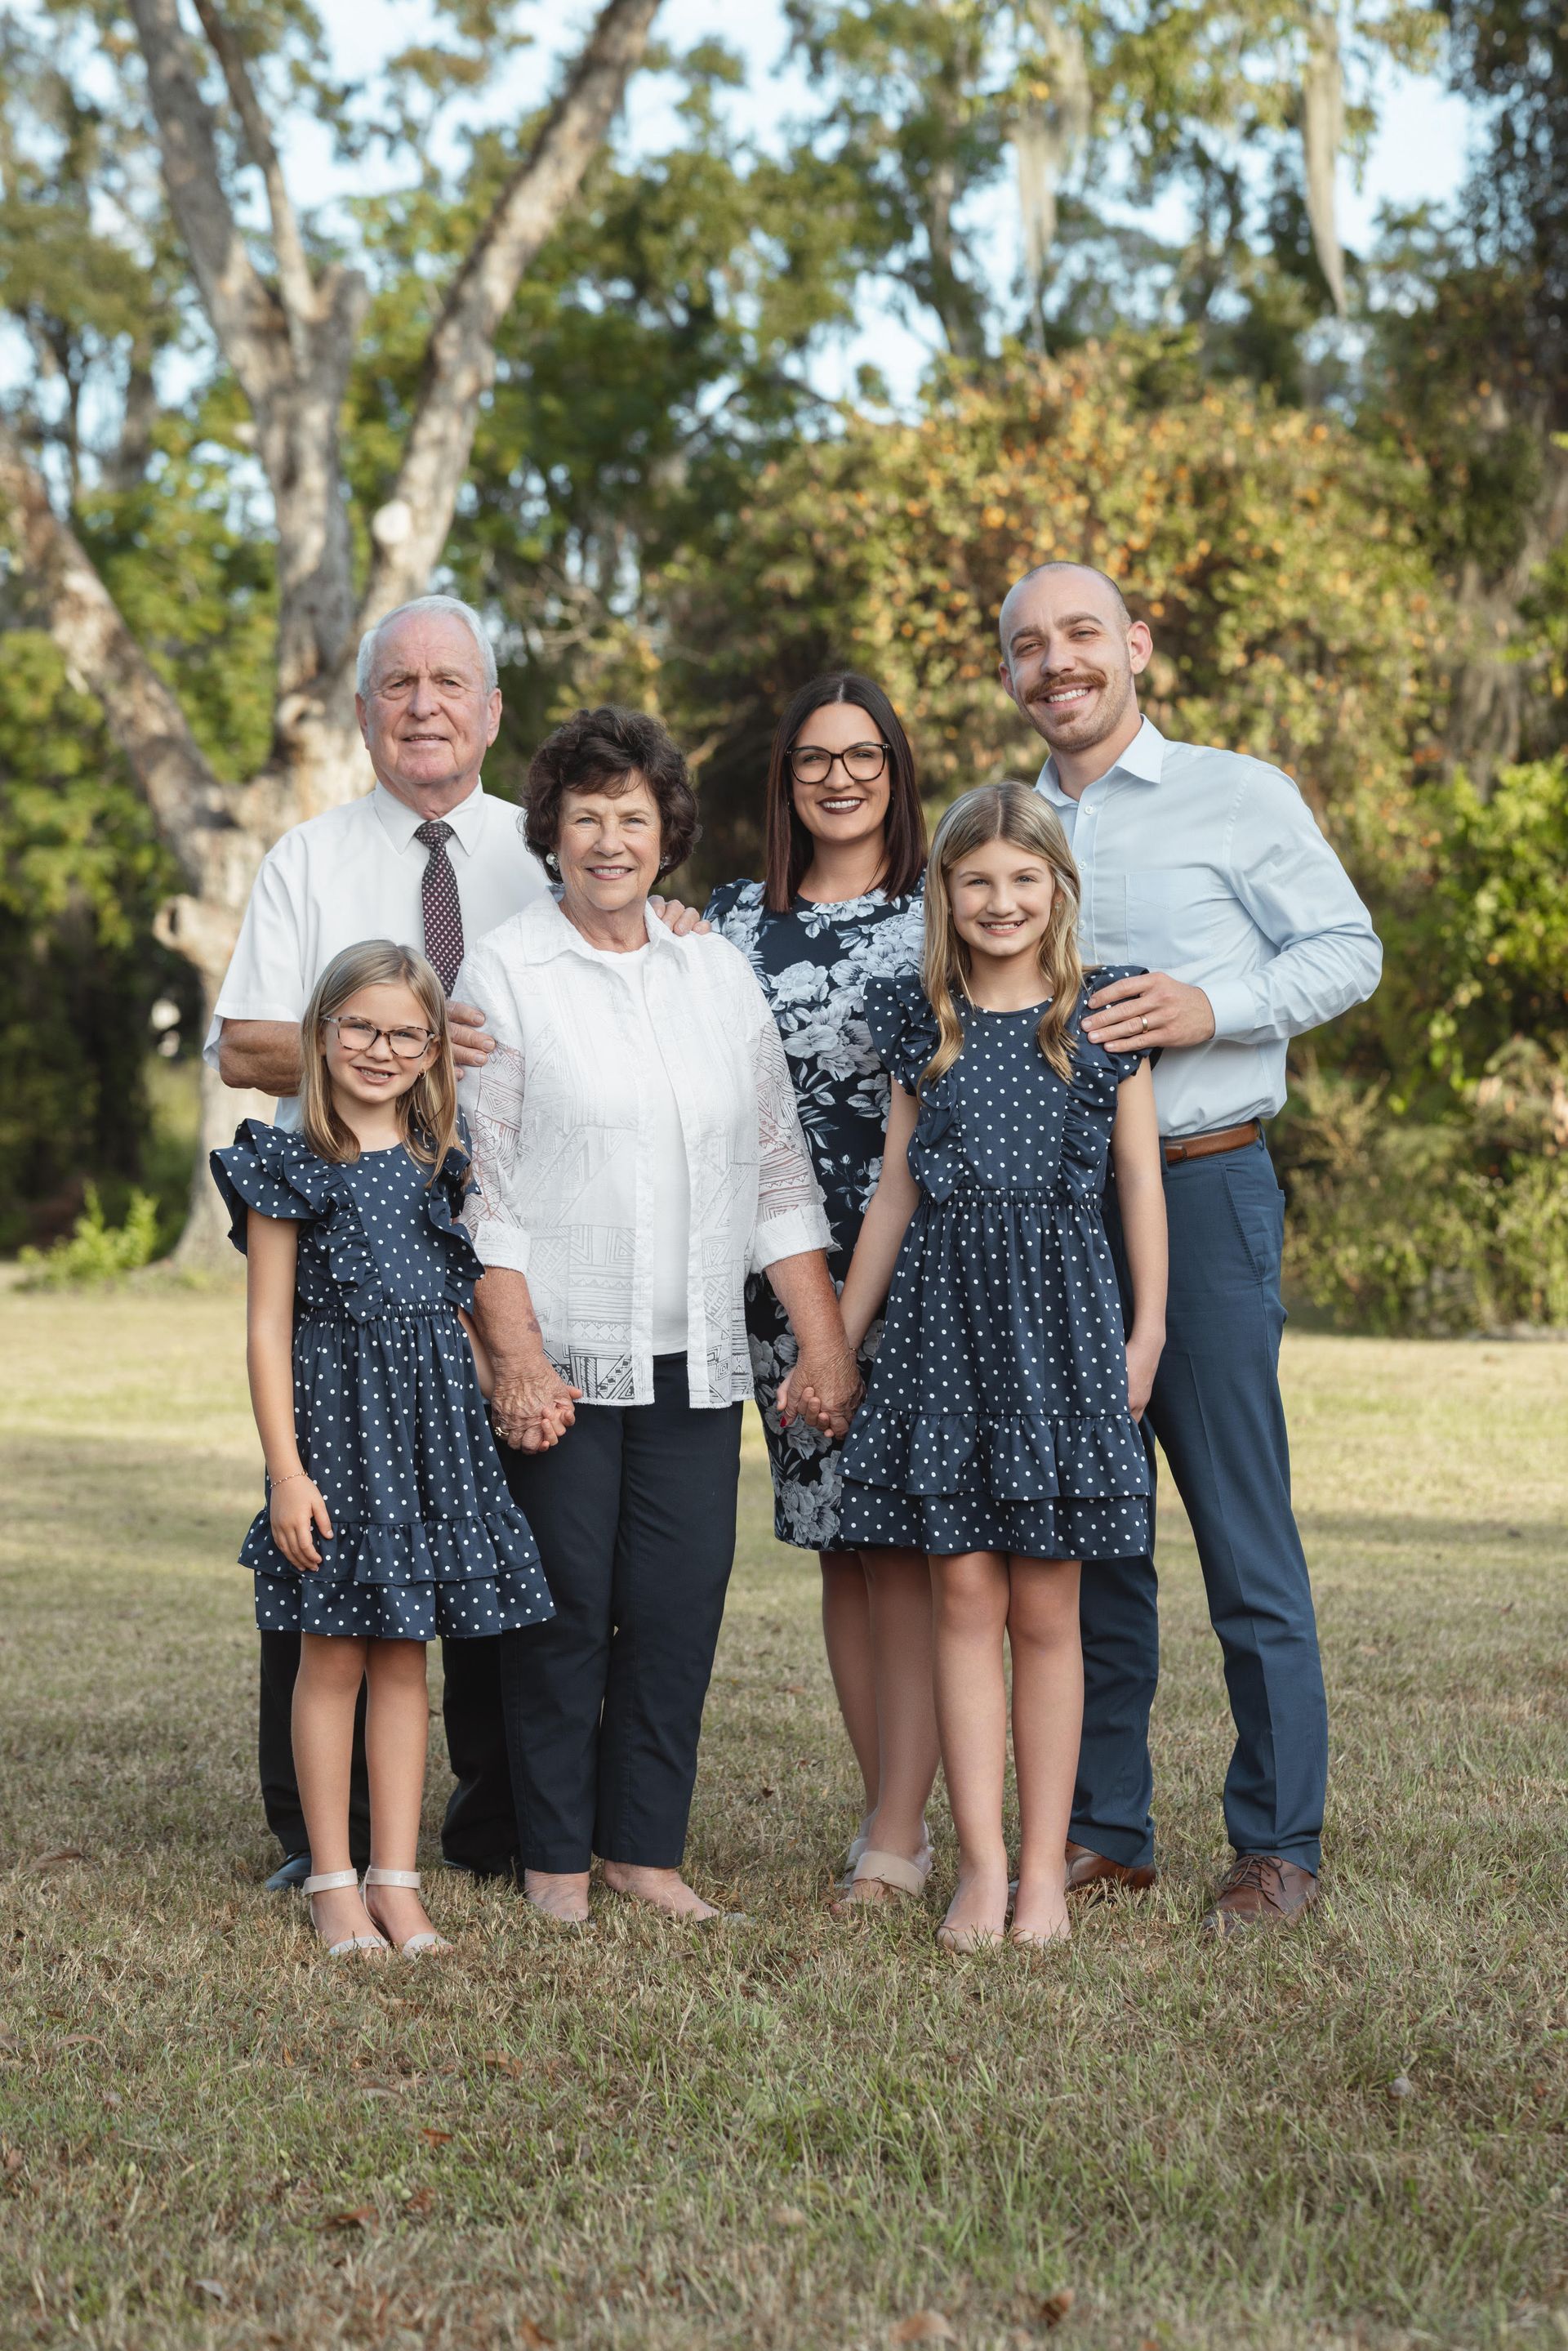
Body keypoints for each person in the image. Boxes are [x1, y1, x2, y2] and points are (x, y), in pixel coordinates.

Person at [205, 591, 700, 1889]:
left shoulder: (540, 855)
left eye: (450, 682)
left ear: (491, 712)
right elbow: (241, 1041)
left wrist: (684, 931)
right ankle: (314, 1839)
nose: (424, 703)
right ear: (365, 710)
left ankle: (484, 1824)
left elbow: (626, 934)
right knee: (332, 1528)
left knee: (480, 1524)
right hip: (354, 1250)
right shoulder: (308, 859)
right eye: (399, 683)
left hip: (505, 1243)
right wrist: (398, 1029)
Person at [999, 559, 1383, 1933]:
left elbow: (1349, 948)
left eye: (1083, 636)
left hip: (1205, 1190)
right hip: (1056, 1225)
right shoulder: (1010, 825)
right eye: (1031, 648)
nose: (1060, 665)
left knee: (1241, 1532)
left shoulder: (1240, 793)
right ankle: (1106, 1825)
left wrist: (1208, 1003)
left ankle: (1276, 1839)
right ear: (1012, 677)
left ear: (1137, 646)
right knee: (1091, 1535)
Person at [461, 707, 862, 1926]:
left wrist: (827, 1339)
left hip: (699, 1355)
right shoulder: (508, 970)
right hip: (566, 1358)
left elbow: (776, 1169)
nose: (609, 839)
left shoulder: (715, 969)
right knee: (566, 1608)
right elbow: (485, 1185)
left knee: (680, 1607)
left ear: (667, 831)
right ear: (552, 832)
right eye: (585, 817)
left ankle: (646, 1850)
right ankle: (554, 1863)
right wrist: (516, 1357)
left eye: (632, 816)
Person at [818, 783, 1166, 1951]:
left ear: (1056, 889)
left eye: (1025, 879)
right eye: (979, 881)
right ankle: (976, 1865)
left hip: (1065, 1335)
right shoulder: (928, 1022)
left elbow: (1139, 1186)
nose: (1002, 900)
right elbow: (894, 1191)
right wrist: (842, 1338)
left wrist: (1147, 1333)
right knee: (962, 1591)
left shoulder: (1102, 1017)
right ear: (948, 895)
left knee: (1049, 1604)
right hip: (945, 1333)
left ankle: (1044, 1880)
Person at [210, 941, 554, 1957]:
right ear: (321, 1033)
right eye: (359, 1025)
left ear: (432, 1048)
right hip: (334, 1438)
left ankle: (398, 1881)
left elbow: (447, 1314)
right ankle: (331, 1877)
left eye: (406, 1032)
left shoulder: (435, 1162)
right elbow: (268, 1329)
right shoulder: (286, 1165)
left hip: (428, 1443)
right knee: (333, 1658)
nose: (380, 1047)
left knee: (405, 1660)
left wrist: (502, 1393)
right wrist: (288, 1473)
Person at [705, 674, 941, 1912]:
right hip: (772, 1272)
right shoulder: (730, 919)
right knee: (837, 1550)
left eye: (863, 757)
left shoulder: (942, 912)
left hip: (908, 1268)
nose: (839, 777)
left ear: (896, 774)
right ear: (786, 779)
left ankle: (901, 1837)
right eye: (814, 758)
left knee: (901, 1549)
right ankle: (882, 1811)